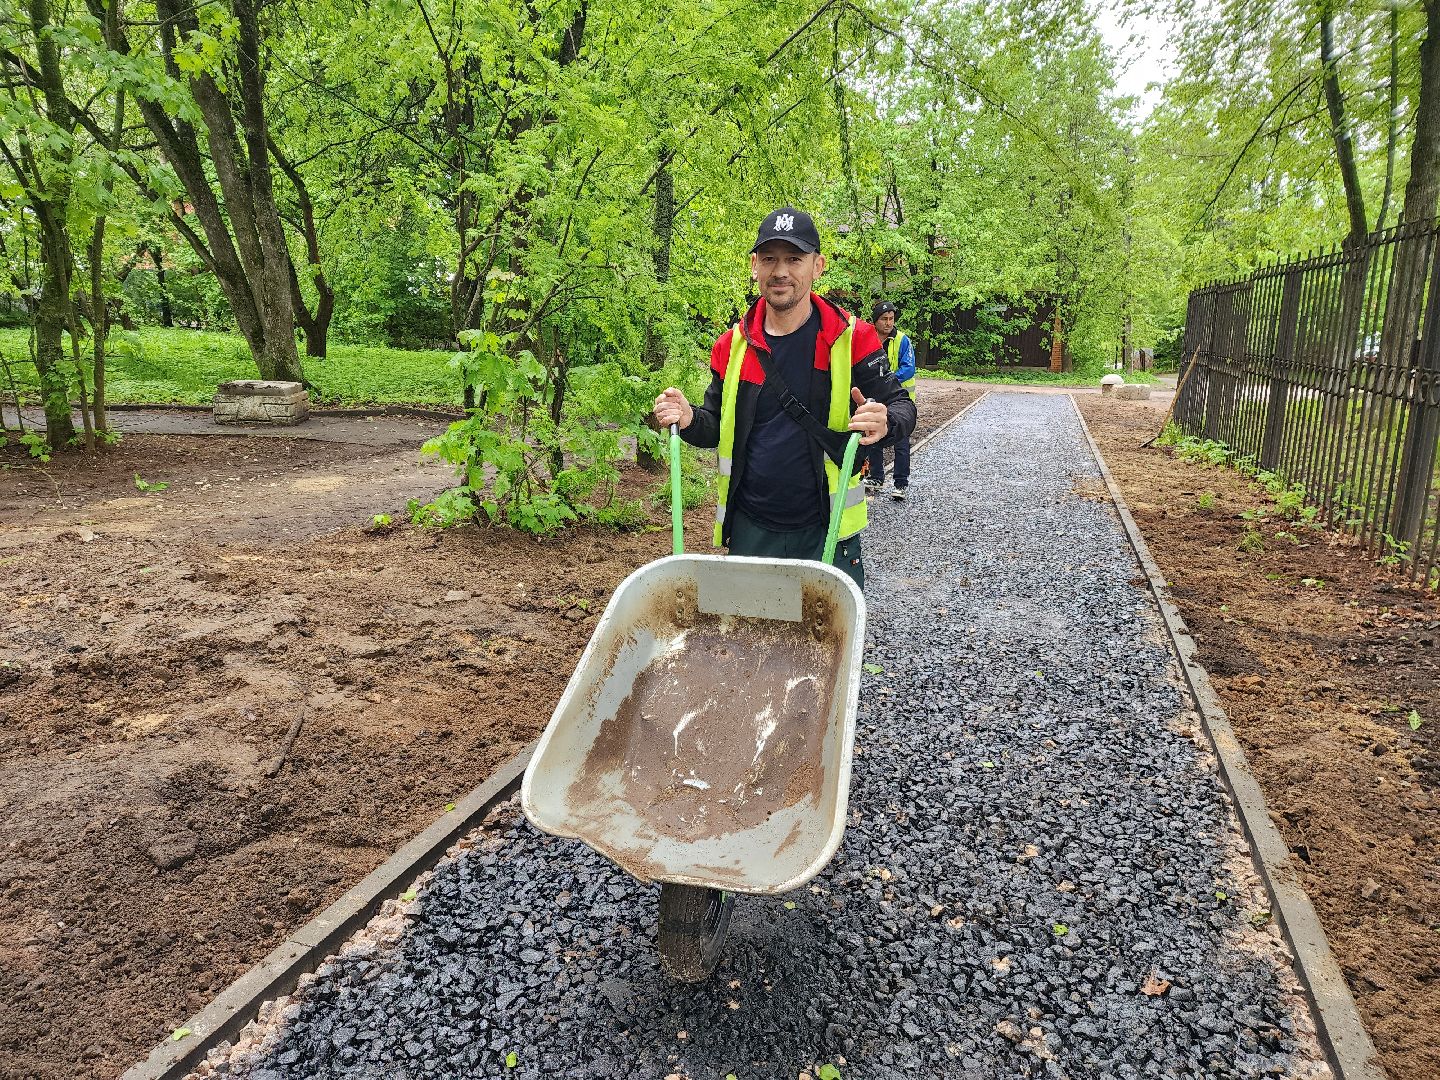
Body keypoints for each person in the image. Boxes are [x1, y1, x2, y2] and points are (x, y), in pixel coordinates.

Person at [653, 207, 916, 591]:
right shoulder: (732, 346)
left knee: (829, 647)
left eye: (794, 259)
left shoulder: (851, 338)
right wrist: (688, 416)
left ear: (817, 266)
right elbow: (715, 424)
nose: (781, 271)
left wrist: (886, 421)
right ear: (755, 266)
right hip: (751, 529)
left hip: (827, 532)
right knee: (749, 642)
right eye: (770, 259)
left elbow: (903, 406)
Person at [863, 300, 916, 500]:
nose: (888, 323)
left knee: (901, 442)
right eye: (884, 319)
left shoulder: (902, 340)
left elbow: (909, 368)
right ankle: (877, 477)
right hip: (877, 398)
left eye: (891, 319)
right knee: (875, 437)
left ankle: (901, 483)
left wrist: (887, 380)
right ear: (875, 321)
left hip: (899, 400)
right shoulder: (868, 339)